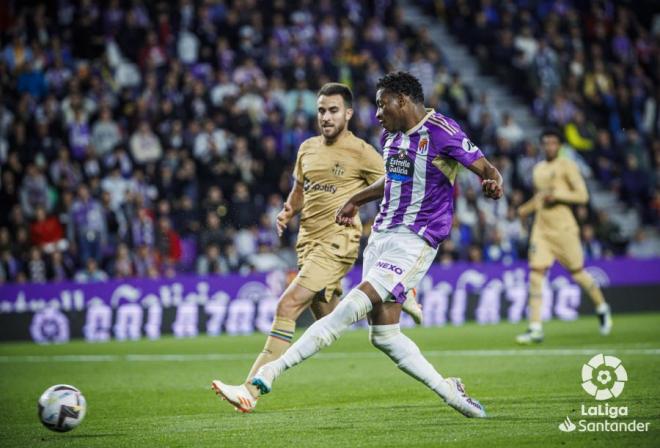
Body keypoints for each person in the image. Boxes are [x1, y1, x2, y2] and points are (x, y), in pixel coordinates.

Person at [250, 72, 504, 418]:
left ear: (402, 100)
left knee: (351, 306)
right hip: (381, 238)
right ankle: (451, 391)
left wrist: (492, 183)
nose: (378, 114)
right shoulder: (391, 137)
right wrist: (357, 198)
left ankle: (273, 370)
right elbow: (393, 180)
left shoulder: (443, 132)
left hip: (414, 240)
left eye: (382, 104)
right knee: (383, 336)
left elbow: (487, 168)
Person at [211, 82, 422, 413]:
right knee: (331, 317)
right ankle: (395, 289)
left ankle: (250, 390)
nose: (326, 116)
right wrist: (287, 210)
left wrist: (384, 230)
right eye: (321, 110)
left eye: (333, 110)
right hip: (308, 243)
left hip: (338, 243)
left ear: (348, 113)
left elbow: (395, 184)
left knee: (287, 305)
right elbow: (299, 188)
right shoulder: (307, 148)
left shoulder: (364, 152)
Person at [515, 129, 612, 344]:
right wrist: (524, 209)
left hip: (564, 229)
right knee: (535, 275)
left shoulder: (567, 166)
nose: (549, 146)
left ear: (559, 146)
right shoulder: (538, 169)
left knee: (578, 273)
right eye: (546, 143)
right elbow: (540, 198)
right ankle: (535, 328)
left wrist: (558, 195)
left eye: (553, 143)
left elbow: (582, 196)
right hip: (541, 229)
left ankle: (602, 306)